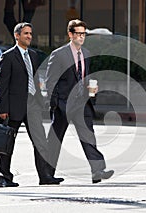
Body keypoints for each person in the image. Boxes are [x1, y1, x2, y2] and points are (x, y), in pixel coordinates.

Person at [46, 19, 114, 184]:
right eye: (78, 33)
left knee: (88, 136)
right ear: (70, 34)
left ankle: (97, 171)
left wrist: (92, 90)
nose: (82, 37)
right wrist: (55, 104)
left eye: (84, 34)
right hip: (63, 104)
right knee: (55, 140)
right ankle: (46, 174)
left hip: (82, 104)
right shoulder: (59, 54)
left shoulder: (87, 53)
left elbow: (85, 76)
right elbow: (50, 81)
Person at [0, 22, 64, 187]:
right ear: (17, 35)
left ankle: (45, 176)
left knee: (40, 141)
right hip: (14, 107)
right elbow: (2, 85)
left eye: (30, 34)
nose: (29, 36)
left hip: (32, 104)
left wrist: (41, 101)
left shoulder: (33, 55)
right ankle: (4, 177)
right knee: (7, 144)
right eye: (25, 33)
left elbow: (35, 79)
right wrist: (3, 109)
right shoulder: (8, 56)